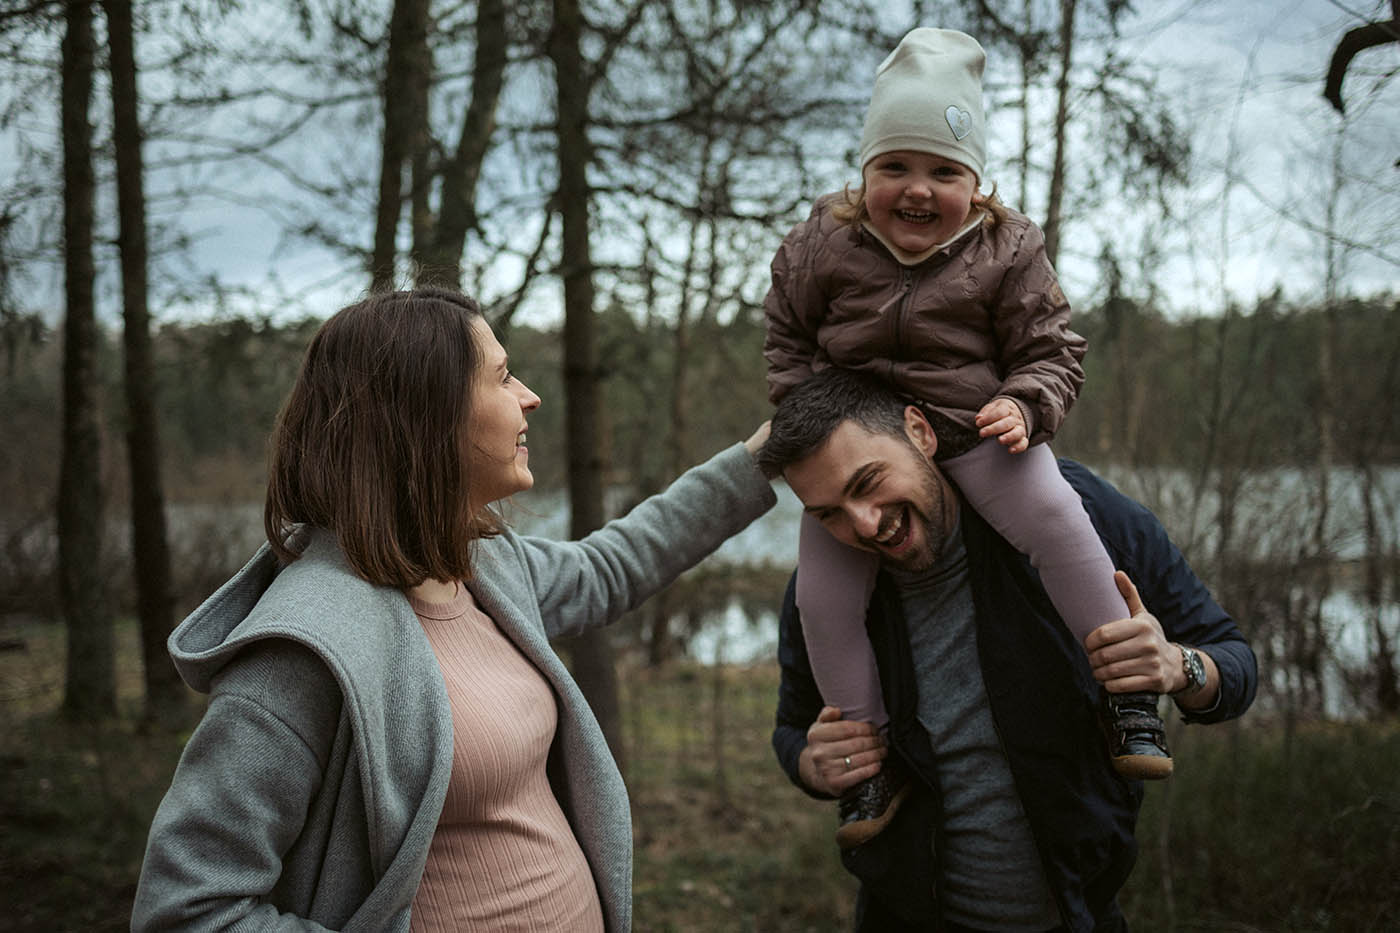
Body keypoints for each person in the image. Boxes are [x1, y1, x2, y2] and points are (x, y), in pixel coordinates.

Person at [130, 288, 777, 932]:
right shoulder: (305, 647)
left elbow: (609, 565)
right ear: (426, 415)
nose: (530, 395)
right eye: (501, 376)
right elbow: (188, 908)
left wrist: (760, 461)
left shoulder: (482, 566)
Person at [762, 27, 1165, 848]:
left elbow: (1052, 347)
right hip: (862, 450)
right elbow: (786, 331)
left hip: (981, 431)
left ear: (976, 187)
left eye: (943, 171)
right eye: (895, 167)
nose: (917, 189)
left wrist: (1026, 403)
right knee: (824, 594)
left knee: (1057, 514)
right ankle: (869, 757)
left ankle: (1126, 695)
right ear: (864, 173)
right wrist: (807, 410)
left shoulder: (1008, 247)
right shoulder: (820, 244)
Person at [758, 368, 1258, 932]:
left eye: (867, 481)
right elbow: (792, 730)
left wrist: (1180, 666)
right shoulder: (823, 601)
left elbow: (1233, 660)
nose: (864, 524)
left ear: (920, 432)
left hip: (1077, 915)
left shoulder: (1077, 517)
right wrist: (814, 763)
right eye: (828, 513)